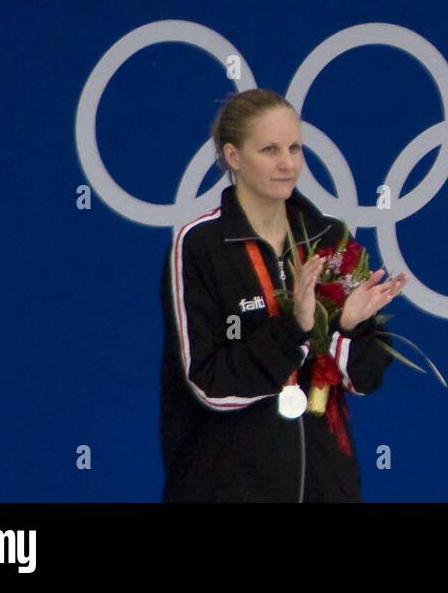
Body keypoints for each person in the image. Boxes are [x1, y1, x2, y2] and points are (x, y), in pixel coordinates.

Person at [160, 88, 411, 502]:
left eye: (295, 148)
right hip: (228, 485)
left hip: (324, 483)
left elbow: (362, 380)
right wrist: (294, 327)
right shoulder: (200, 246)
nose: (287, 163)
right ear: (234, 156)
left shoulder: (328, 236)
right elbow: (209, 385)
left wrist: (349, 327)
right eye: (270, 149)